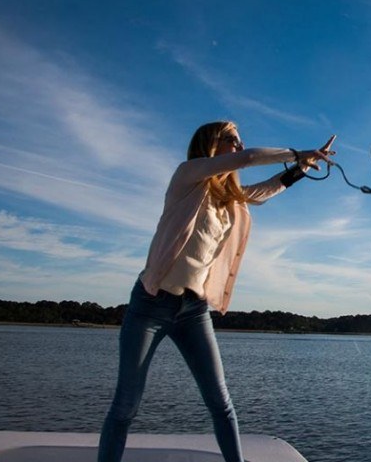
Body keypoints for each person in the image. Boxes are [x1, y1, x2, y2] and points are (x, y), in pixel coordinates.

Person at [98, 120, 335, 462]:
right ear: (211, 143)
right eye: (231, 139)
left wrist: (300, 168)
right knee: (125, 405)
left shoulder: (230, 199)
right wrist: (298, 152)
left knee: (220, 403)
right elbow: (249, 158)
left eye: (240, 140)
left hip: (193, 311)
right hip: (150, 305)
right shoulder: (187, 177)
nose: (239, 146)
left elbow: (264, 190)